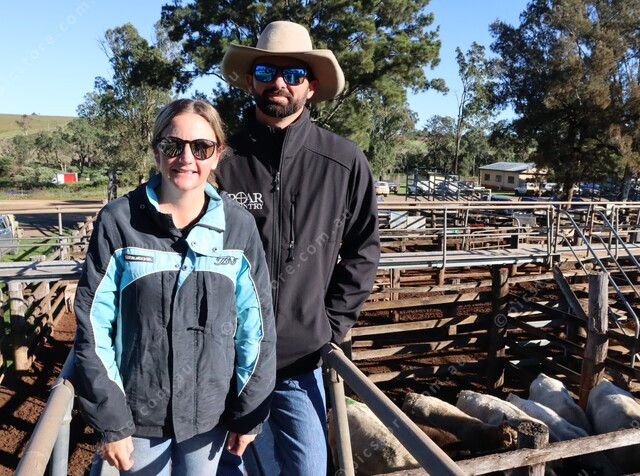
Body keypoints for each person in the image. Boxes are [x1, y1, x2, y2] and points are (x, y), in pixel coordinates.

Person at [73, 98, 276, 475]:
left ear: (217, 155)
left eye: (201, 147)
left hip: (210, 417)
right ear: (156, 151)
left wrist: (249, 413)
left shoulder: (238, 227)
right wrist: (112, 420)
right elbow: (92, 325)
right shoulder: (119, 221)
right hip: (136, 418)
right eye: (172, 145)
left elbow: (257, 328)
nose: (186, 158)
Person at [217, 20, 381, 475]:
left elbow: (364, 247)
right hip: (225, 360)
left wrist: (331, 323)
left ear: (311, 87)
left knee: (308, 467)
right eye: (266, 71)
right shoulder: (220, 160)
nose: (279, 83)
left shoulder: (343, 161)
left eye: (293, 74)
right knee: (234, 468)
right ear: (251, 80)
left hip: (299, 359)